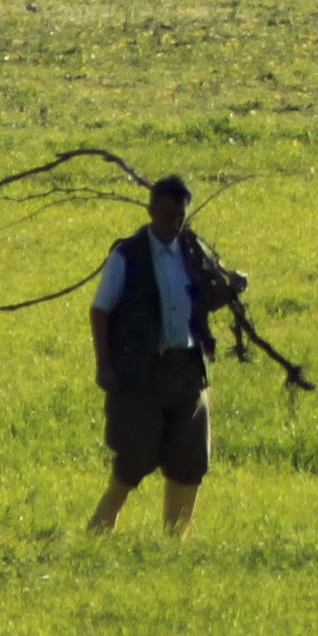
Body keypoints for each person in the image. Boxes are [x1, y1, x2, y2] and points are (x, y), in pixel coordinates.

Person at [88, 173, 226, 535]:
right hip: (143, 371)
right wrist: (104, 365)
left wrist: (229, 289)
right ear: (150, 211)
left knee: (190, 460)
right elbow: (100, 310)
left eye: (179, 216)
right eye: (166, 215)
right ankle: (100, 529)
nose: (173, 224)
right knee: (134, 457)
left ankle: (173, 542)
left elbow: (205, 301)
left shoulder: (193, 251)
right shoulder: (127, 255)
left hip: (188, 369)